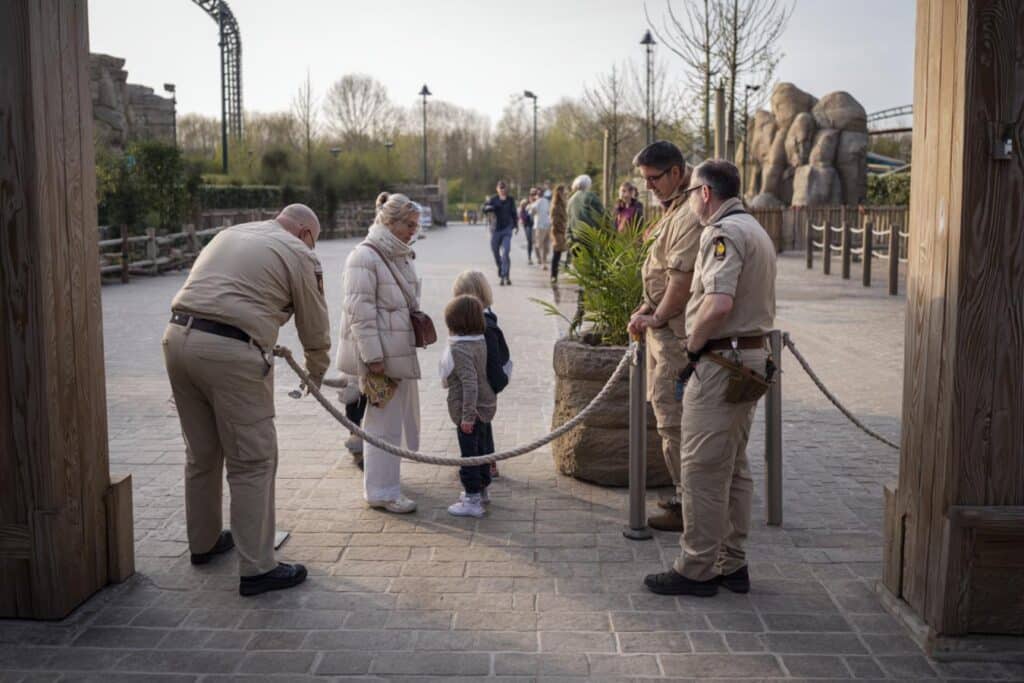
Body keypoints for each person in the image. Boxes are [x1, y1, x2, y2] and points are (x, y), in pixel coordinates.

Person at [163, 203, 329, 596]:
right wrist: (316, 373)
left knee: (201, 453)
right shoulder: (299, 252)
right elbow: (314, 324)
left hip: (176, 339)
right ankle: (258, 568)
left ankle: (203, 542)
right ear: (306, 233)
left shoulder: (231, 232)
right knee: (253, 460)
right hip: (231, 352)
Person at [644, 159, 777, 597]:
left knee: (701, 469)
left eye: (690, 194)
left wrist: (694, 345)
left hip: (722, 360)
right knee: (734, 466)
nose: (688, 203)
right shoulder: (753, 228)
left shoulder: (722, 233)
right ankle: (731, 561)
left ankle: (696, 567)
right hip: (747, 357)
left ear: (704, 193)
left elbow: (718, 303)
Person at [626, 141, 701, 532]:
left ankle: (689, 508)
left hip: (675, 334)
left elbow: (681, 281)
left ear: (676, 172)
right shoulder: (675, 205)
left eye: (654, 178)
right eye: (644, 179)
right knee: (668, 419)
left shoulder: (691, 211)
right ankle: (686, 499)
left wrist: (655, 315)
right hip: (661, 327)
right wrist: (646, 307)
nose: (649, 187)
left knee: (674, 423)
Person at [337, 192, 425, 515]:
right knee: (381, 425)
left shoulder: (398, 254)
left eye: (415, 225)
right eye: (409, 225)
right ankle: (382, 491)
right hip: (381, 358)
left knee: (391, 424)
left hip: (396, 352)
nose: (414, 231)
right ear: (391, 222)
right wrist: (373, 357)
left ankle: (388, 485)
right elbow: (360, 311)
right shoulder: (364, 256)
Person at [440, 295, 498, 518]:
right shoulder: (479, 341)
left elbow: (469, 383)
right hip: (485, 405)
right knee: (482, 450)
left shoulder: (459, 348)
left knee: (469, 455)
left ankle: (472, 499)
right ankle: (482, 490)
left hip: (470, 410)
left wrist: (466, 416)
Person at [452, 270, 510, 481]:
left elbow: (494, 362)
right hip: (482, 386)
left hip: (478, 388)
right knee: (482, 426)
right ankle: (486, 464)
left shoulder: (483, 326)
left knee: (473, 429)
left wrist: (495, 385)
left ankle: (476, 476)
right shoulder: (484, 321)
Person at [482, 181, 518, 286]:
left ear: (506, 188)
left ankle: (505, 275)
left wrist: (516, 225)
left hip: (507, 229)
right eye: (500, 188)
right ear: (497, 189)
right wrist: (487, 208)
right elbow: (484, 208)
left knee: (506, 251)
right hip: (495, 230)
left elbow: (514, 213)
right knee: (496, 253)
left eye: (504, 187)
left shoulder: (510, 200)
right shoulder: (493, 199)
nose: (502, 189)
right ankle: (500, 268)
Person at [566, 174, 606, 248]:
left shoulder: (570, 200)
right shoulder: (591, 196)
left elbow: (569, 221)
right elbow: (602, 215)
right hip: (590, 238)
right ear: (589, 185)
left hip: (575, 239)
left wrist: (569, 239)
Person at [549, 184, 569, 284]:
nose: (565, 193)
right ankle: (553, 275)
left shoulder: (564, 203)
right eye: (563, 192)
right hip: (558, 233)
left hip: (564, 232)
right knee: (557, 254)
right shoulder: (556, 205)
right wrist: (562, 229)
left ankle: (556, 274)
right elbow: (554, 221)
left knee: (561, 254)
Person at [529, 186, 552, 266]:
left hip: (541, 226)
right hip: (544, 226)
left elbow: (531, 213)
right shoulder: (545, 202)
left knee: (541, 245)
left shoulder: (538, 202)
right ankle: (542, 261)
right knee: (543, 245)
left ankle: (542, 260)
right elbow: (549, 212)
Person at [518, 197, 535, 265]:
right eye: (524, 204)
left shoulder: (531, 208)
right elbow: (522, 219)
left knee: (534, 242)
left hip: (534, 226)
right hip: (528, 226)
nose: (525, 205)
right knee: (530, 241)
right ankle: (529, 258)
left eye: (526, 204)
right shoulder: (522, 211)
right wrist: (528, 215)